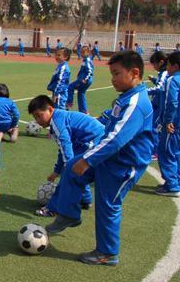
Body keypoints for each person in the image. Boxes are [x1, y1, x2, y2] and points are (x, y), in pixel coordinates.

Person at [45, 51, 154, 266]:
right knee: (71, 168)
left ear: (134, 73)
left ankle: (107, 253)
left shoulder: (136, 102)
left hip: (124, 165)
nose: (112, 79)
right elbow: (111, 123)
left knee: (108, 205)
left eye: (116, 73)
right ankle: (69, 214)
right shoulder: (125, 97)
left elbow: (116, 139)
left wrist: (88, 160)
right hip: (110, 158)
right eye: (111, 73)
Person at [29, 95, 102, 217]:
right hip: (85, 141)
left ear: (51, 110)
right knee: (77, 170)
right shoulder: (58, 118)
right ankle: (85, 200)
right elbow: (62, 149)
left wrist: (67, 169)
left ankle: (53, 208)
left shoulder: (57, 122)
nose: (38, 120)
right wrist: (56, 171)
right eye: (35, 117)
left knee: (69, 172)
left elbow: (66, 146)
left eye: (39, 115)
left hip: (94, 140)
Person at [155, 51, 180, 197]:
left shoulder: (172, 80)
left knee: (165, 153)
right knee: (177, 154)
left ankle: (172, 186)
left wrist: (168, 120)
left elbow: (172, 102)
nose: (166, 67)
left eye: (168, 64)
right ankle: (177, 182)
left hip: (173, 125)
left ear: (175, 66)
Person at [147, 51, 169, 159]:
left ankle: (156, 152)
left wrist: (145, 91)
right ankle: (153, 148)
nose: (153, 66)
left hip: (160, 105)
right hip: (156, 103)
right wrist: (154, 80)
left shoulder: (165, 72)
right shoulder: (162, 73)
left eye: (154, 64)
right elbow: (161, 84)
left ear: (161, 62)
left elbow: (160, 88)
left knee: (154, 127)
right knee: (151, 125)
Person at [67, 45, 94, 114]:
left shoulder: (87, 60)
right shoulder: (85, 60)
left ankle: (69, 103)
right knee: (81, 93)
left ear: (88, 52)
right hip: (84, 79)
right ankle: (84, 111)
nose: (81, 54)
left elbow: (90, 71)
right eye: (81, 52)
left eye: (83, 52)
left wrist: (85, 79)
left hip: (84, 80)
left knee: (71, 86)